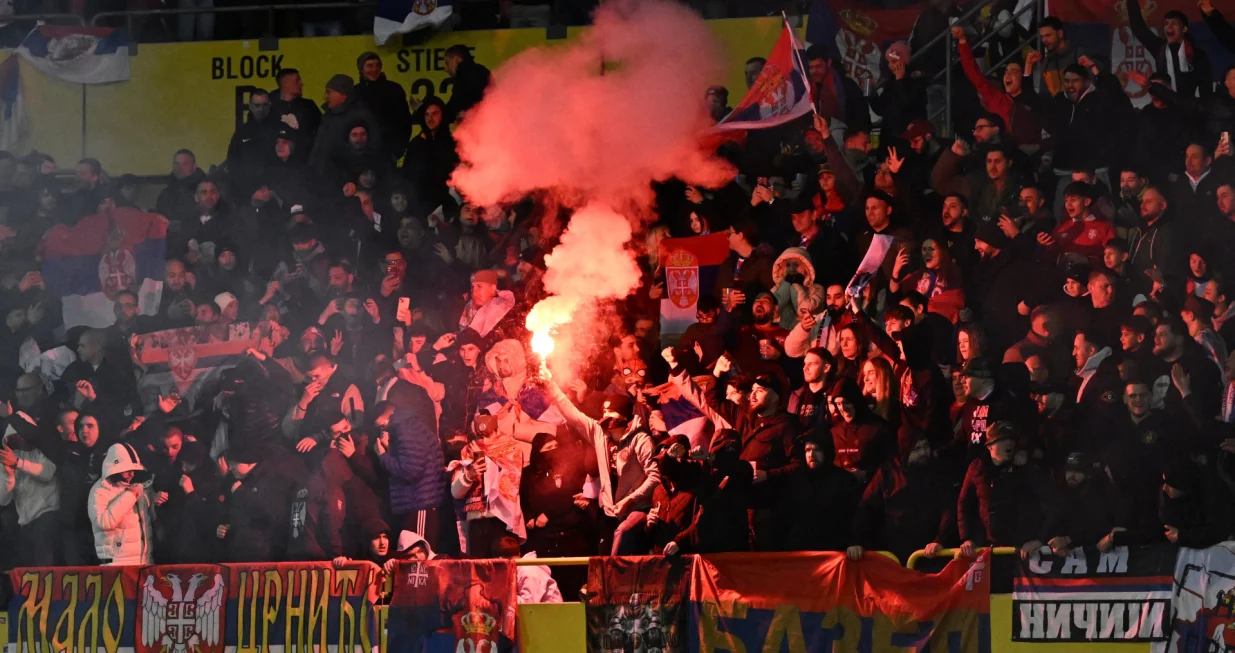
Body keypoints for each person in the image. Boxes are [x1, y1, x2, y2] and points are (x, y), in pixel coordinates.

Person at [88, 442, 155, 566]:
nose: (131, 474)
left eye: (133, 470)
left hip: (143, 561)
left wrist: (155, 502)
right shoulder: (100, 491)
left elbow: (148, 522)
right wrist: (129, 496)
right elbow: (104, 522)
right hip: (116, 564)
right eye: (126, 470)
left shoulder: (140, 486)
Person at [355, 52, 411, 162]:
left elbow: (405, 122)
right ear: (361, 69)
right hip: (361, 156)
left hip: (388, 154)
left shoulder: (394, 89)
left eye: (377, 65)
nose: (374, 69)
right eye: (370, 66)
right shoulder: (355, 93)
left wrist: (397, 151)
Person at [442, 45, 492, 124]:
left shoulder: (463, 76)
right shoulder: (482, 71)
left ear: (456, 60)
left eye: (447, 63)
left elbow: (453, 107)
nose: (445, 68)